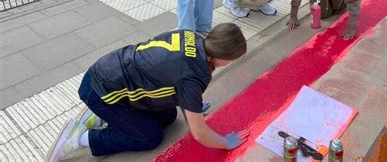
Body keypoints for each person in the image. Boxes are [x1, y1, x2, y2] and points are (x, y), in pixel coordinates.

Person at [45, 23, 249, 161]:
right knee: (149, 137)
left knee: (169, 115)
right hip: (101, 91)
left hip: (106, 71)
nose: (230, 63)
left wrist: (190, 104)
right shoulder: (193, 77)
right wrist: (225, 142)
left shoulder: (191, 36)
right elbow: (199, 133)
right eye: (231, 59)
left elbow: (166, 73)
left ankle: (99, 116)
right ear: (224, 54)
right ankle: (80, 138)